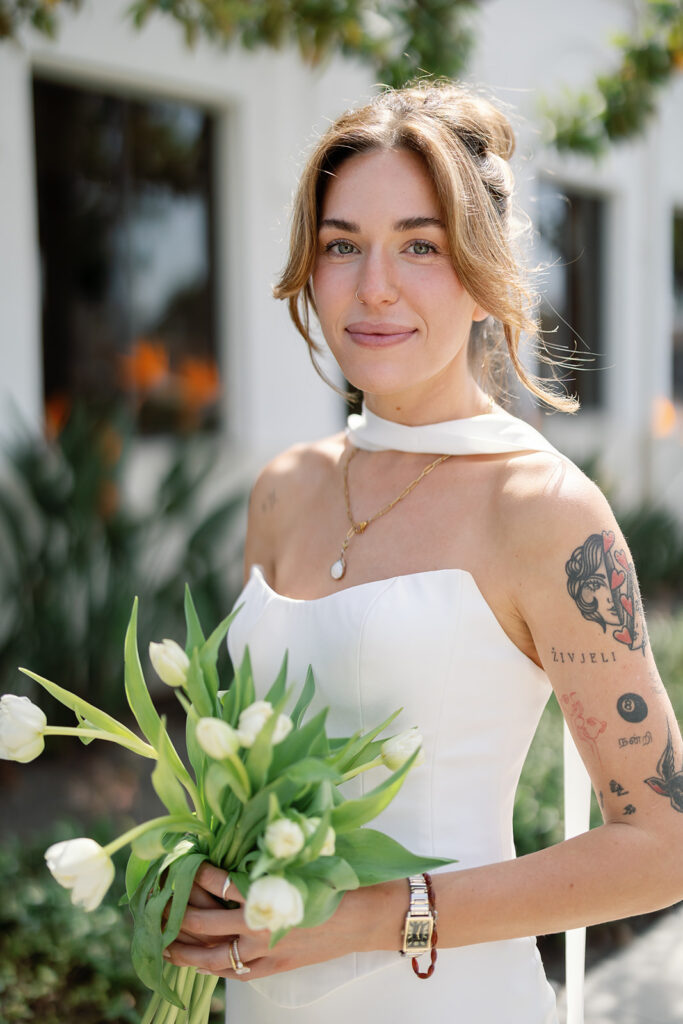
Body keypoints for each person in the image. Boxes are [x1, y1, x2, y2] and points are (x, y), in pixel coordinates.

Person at [162, 81, 683, 1023]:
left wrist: (370, 920)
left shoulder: (542, 510)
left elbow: (663, 845)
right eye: (341, 245)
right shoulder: (282, 490)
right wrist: (195, 873)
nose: (373, 286)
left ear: (483, 275)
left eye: (420, 245)